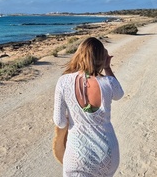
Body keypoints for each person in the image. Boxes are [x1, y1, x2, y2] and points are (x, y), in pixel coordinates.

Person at [53, 37, 124, 176]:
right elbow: (119, 94)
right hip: (107, 152)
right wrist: (107, 68)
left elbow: (59, 122)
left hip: (78, 155)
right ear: (102, 58)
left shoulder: (63, 81)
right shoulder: (108, 82)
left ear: (79, 55)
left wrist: (74, 116)